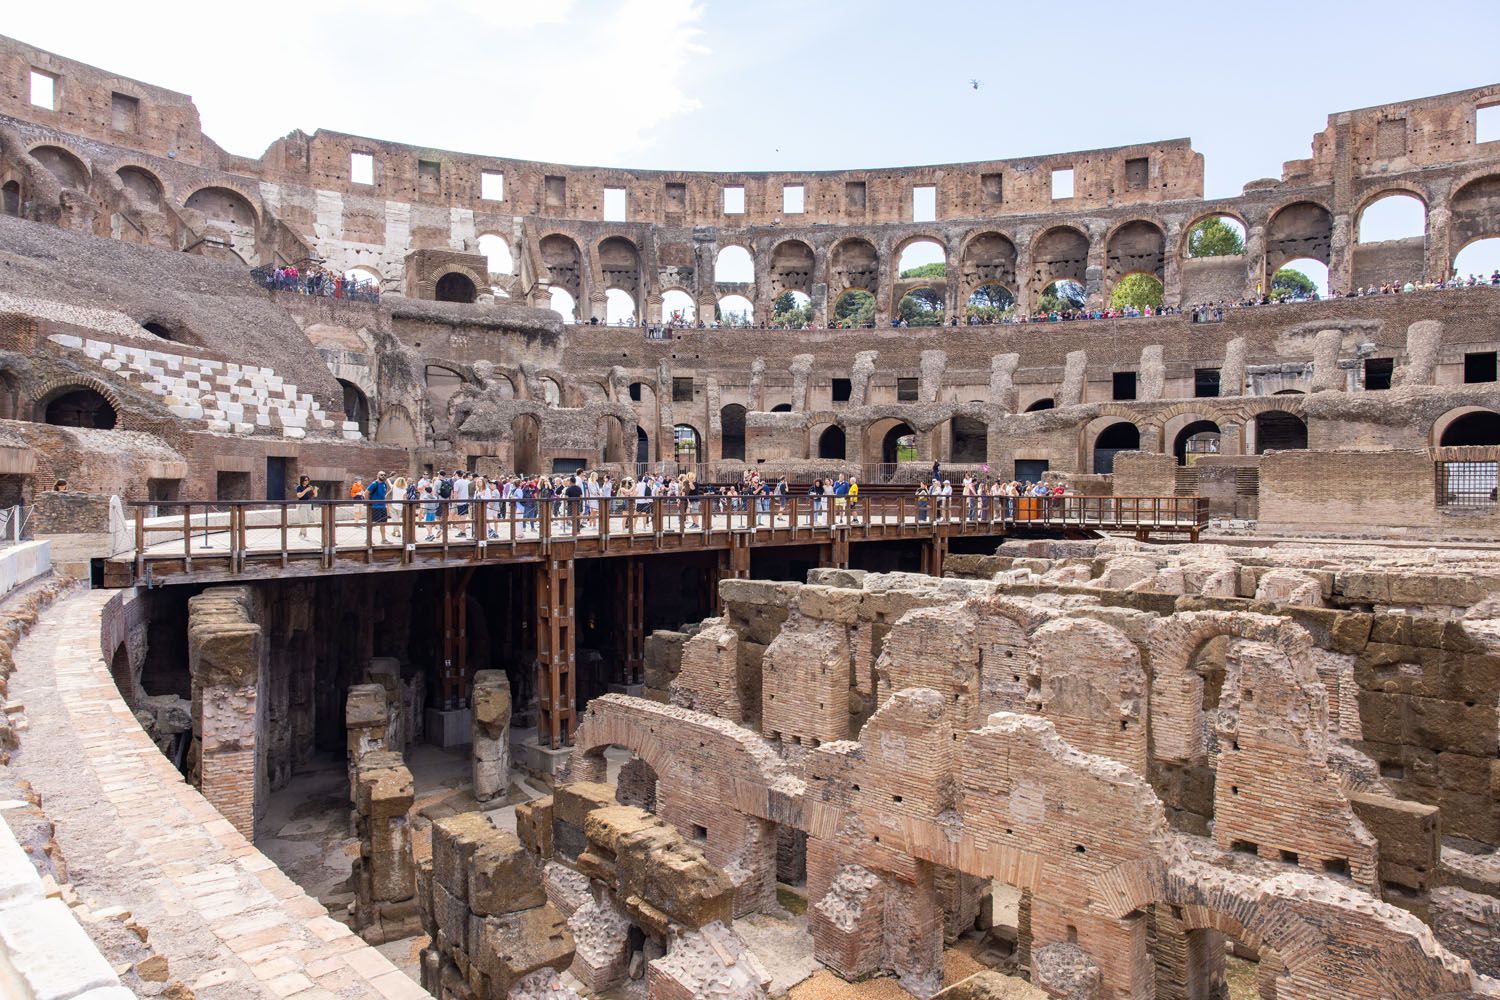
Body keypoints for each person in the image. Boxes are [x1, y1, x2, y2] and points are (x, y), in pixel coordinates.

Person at [366, 471, 391, 543]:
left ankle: (384, 539)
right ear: (377, 475)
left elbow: (385, 493)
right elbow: (366, 493)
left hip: (383, 506)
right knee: (372, 524)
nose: (383, 476)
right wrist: (368, 503)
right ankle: (368, 539)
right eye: (381, 475)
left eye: (384, 475)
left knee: (383, 523)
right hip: (375, 507)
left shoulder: (384, 484)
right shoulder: (374, 484)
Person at [293, 475, 318, 540]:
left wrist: (315, 490)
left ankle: (301, 534)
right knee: (303, 520)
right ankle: (304, 535)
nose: (307, 481)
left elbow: (315, 495)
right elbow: (299, 496)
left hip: (308, 504)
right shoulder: (299, 487)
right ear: (302, 480)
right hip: (301, 505)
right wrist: (306, 490)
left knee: (307, 520)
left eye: (308, 480)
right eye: (305, 480)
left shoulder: (310, 487)